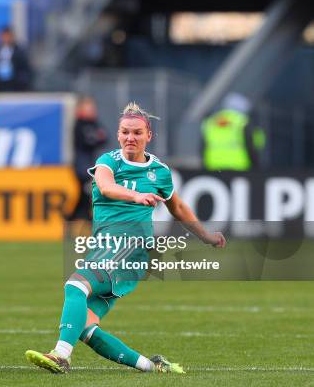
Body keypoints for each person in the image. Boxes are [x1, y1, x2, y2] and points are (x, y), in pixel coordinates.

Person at [26, 102, 226, 374]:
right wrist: (135, 195)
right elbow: (106, 187)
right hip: (105, 248)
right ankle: (152, 366)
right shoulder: (107, 162)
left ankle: (61, 355)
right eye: (125, 132)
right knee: (84, 327)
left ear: (148, 136)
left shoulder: (160, 172)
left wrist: (206, 236)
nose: (130, 137)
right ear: (118, 135)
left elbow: (177, 207)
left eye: (137, 132)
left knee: (76, 286)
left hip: (129, 247)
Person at [201, 92, 266, 170]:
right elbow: (251, 145)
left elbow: (202, 146)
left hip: (213, 166)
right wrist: (256, 165)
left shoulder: (210, 121)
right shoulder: (242, 121)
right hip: (239, 166)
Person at [68, 96, 107, 221]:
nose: (91, 111)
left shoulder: (94, 123)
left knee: (85, 195)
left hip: (90, 165)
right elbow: (89, 140)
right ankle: (77, 218)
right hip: (82, 167)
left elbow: (104, 138)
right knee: (88, 192)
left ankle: (74, 218)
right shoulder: (79, 125)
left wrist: (96, 138)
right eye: (88, 108)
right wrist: (96, 138)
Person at [0, 26, 32, 92]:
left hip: (16, 88)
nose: (6, 38)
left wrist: (20, 81)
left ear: (12, 36)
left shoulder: (19, 52)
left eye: (8, 36)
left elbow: (25, 69)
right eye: (4, 36)